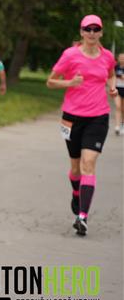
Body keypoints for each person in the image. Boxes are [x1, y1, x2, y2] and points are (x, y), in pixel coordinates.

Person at [46, 15, 117, 237]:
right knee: (76, 167)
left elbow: (111, 74)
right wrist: (70, 82)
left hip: (98, 117)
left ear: (101, 32)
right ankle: (77, 193)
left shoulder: (107, 56)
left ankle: (82, 217)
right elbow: (50, 81)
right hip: (72, 117)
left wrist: (112, 87)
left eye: (96, 29)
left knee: (89, 163)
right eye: (88, 29)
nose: (92, 33)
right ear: (82, 32)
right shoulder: (70, 55)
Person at [115, 52, 124, 135]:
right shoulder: (116, 67)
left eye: (123, 58)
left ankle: (123, 124)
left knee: (123, 109)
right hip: (118, 89)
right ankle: (117, 126)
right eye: (120, 58)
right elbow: (111, 76)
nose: (122, 59)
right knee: (118, 107)